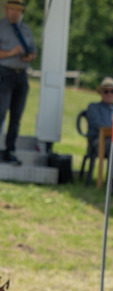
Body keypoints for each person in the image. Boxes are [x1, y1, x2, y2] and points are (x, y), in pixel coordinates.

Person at [0, 0, 36, 166]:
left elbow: (33, 50)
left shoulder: (25, 29)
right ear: (7, 9)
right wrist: (10, 52)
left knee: (16, 116)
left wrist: (29, 56)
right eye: (12, 10)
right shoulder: (1, 27)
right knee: (1, 112)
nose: (15, 13)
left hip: (21, 75)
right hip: (4, 74)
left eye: (18, 10)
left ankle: (10, 150)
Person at [85, 77, 113, 189]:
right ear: (101, 93)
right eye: (106, 91)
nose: (109, 94)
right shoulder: (93, 107)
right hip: (99, 141)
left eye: (112, 91)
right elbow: (97, 124)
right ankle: (112, 181)